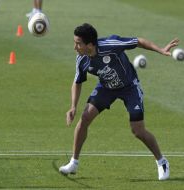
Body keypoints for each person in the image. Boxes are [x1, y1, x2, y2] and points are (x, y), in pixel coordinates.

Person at [59, 23, 179, 180]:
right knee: (85, 118)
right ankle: (73, 163)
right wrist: (73, 106)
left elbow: (138, 41)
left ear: (89, 44)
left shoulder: (111, 44)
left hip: (129, 87)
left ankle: (162, 161)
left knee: (138, 131)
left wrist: (161, 49)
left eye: (78, 43)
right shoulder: (82, 59)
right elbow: (78, 81)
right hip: (106, 88)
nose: (75, 47)